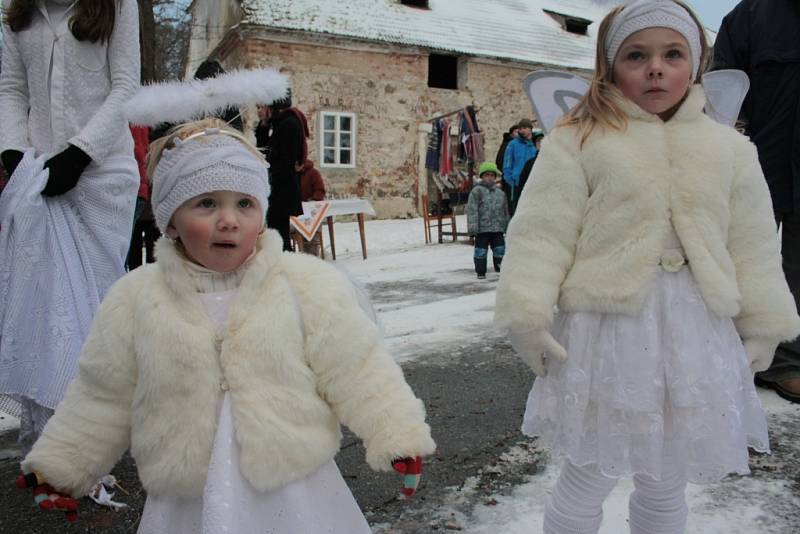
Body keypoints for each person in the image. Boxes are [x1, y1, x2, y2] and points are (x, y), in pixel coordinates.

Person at [15, 118, 437, 531]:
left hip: (292, 495)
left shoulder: (305, 285)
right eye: (206, 203)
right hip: (187, 504)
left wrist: (397, 431)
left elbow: (356, 367)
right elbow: (102, 393)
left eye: (244, 203)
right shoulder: (137, 298)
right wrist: (63, 466)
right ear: (171, 221)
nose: (229, 220)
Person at [494, 2, 800, 533]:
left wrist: (765, 325)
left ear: (695, 65)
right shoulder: (579, 139)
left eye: (672, 54)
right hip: (605, 333)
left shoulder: (729, 149)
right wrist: (527, 312)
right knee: (586, 475)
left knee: (665, 477)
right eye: (637, 55)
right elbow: (542, 232)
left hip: (693, 335)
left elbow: (751, 245)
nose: (656, 67)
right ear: (610, 68)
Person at [0, 0, 140, 450]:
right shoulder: (16, 11)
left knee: (91, 310)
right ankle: (50, 439)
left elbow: (125, 87)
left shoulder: (118, 5)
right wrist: (13, 151)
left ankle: (93, 440)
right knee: (47, 310)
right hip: (39, 176)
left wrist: (80, 152)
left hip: (101, 175)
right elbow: (10, 88)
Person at [713, 0, 800, 404]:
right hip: (761, 162)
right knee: (737, 259)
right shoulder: (750, 16)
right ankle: (724, 354)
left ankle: (786, 361)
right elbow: (719, 93)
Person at [258, 93, 307, 251]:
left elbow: (285, 162)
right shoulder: (278, 125)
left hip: (282, 191)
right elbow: (262, 151)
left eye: (262, 107)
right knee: (276, 236)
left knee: (280, 239)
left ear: (272, 107)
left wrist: (270, 180)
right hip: (276, 190)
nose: (259, 111)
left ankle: (283, 268)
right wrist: (263, 126)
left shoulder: (289, 124)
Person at [467, 161, 509, 279]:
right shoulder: (477, 192)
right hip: (482, 228)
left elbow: (505, 211)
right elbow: (472, 210)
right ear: (482, 177)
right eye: (487, 175)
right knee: (481, 251)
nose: (489, 178)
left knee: (500, 248)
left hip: (497, 228)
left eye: (492, 175)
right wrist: (473, 229)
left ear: (495, 177)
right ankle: (481, 271)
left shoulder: (500, 194)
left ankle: (500, 267)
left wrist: (506, 226)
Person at [501, 118, 537, 216]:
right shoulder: (512, 145)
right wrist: (512, 181)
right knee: (516, 213)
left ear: (530, 129)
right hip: (516, 185)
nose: (522, 131)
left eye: (524, 128)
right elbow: (506, 165)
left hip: (530, 185)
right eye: (520, 128)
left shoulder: (533, 148)